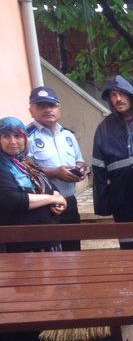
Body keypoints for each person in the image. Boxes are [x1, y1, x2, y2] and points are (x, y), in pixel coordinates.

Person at [92, 75, 133, 249]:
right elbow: (98, 168)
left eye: (122, 93)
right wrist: (103, 204)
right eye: (113, 95)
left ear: (132, 95)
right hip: (123, 201)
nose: (118, 99)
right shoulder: (104, 129)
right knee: (131, 249)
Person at [26, 86, 85, 251]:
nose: (47, 109)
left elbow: (80, 161)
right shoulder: (25, 137)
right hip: (45, 207)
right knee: (52, 256)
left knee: (74, 251)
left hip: (70, 202)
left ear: (59, 108)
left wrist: (79, 170)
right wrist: (55, 173)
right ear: (31, 110)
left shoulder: (68, 135)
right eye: (41, 105)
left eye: (51, 105)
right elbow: (23, 172)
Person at [0, 117, 67, 252]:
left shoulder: (26, 162)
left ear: (25, 138)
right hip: (22, 246)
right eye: (6, 136)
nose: (13, 141)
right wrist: (52, 199)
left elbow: (49, 187)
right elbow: (11, 199)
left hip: (47, 239)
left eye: (18, 136)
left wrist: (59, 199)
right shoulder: (2, 165)